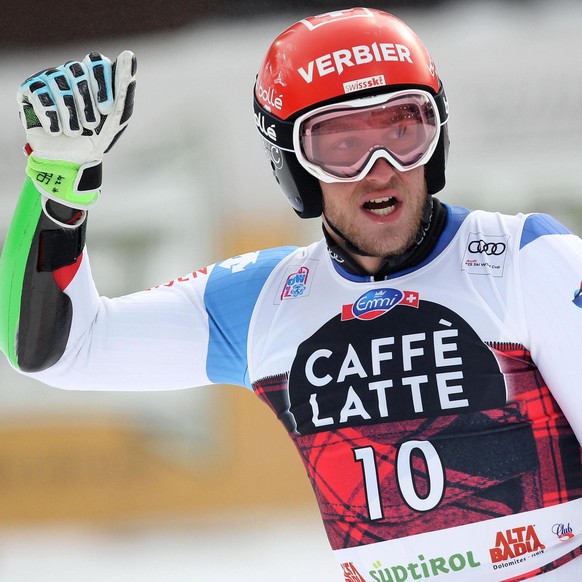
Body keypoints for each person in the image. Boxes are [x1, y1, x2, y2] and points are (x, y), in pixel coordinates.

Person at [1, 7, 581, 581]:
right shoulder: (262, 302)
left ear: (438, 139)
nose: (380, 170)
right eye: (341, 144)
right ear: (293, 166)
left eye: (403, 131)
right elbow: (58, 350)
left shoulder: (525, 260)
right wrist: (57, 185)